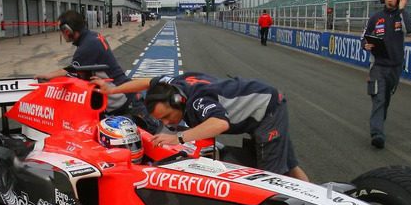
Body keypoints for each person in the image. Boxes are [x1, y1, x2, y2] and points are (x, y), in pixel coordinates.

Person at [96, 73, 309, 181]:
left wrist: (178, 138)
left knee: (270, 177)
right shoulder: (171, 84)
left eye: (168, 117)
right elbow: (145, 82)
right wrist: (112, 91)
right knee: (288, 162)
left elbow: (219, 123)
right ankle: (313, 196)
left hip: (266, 112)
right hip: (266, 104)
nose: (168, 123)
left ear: (179, 101)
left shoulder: (197, 100)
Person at [35, 9, 136, 116]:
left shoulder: (86, 47)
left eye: (61, 30)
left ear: (67, 30)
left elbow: (72, 72)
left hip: (120, 99)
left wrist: (48, 77)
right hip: (125, 91)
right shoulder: (93, 36)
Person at [362, 0, 411, 149]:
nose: (390, 0)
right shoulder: (375, 17)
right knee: (378, 98)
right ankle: (377, 133)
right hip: (378, 65)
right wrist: (365, 44)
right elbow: (364, 37)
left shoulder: (403, 16)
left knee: (385, 100)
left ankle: (379, 126)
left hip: (395, 67)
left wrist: (402, 10)